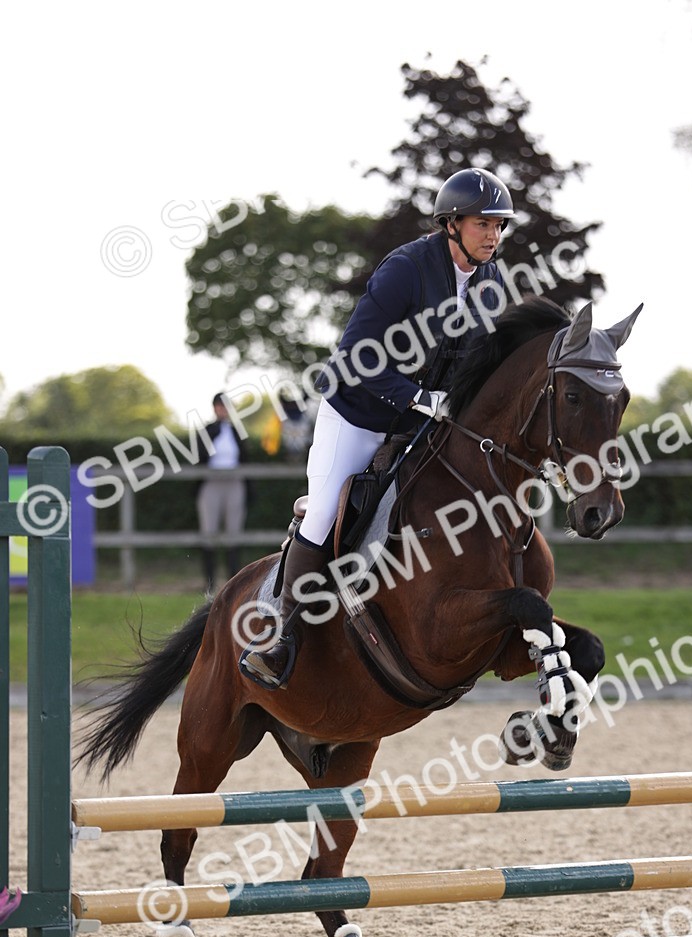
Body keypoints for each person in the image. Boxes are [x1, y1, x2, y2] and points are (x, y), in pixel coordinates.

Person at [240, 167, 514, 689]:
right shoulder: (406, 269)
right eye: (484, 224)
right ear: (452, 223)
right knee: (323, 510)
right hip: (358, 415)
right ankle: (281, 636)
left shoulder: (491, 282)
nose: (494, 236)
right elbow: (355, 357)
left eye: (499, 226)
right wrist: (418, 397)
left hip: (420, 423)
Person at [196, 392, 249, 591]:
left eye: (225, 406)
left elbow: (245, 457)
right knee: (208, 531)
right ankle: (209, 582)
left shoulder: (236, 431)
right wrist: (215, 433)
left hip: (234, 481)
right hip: (212, 480)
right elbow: (200, 455)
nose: (222, 410)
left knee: (233, 531)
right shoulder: (208, 430)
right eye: (219, 406)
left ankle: (232, 581)